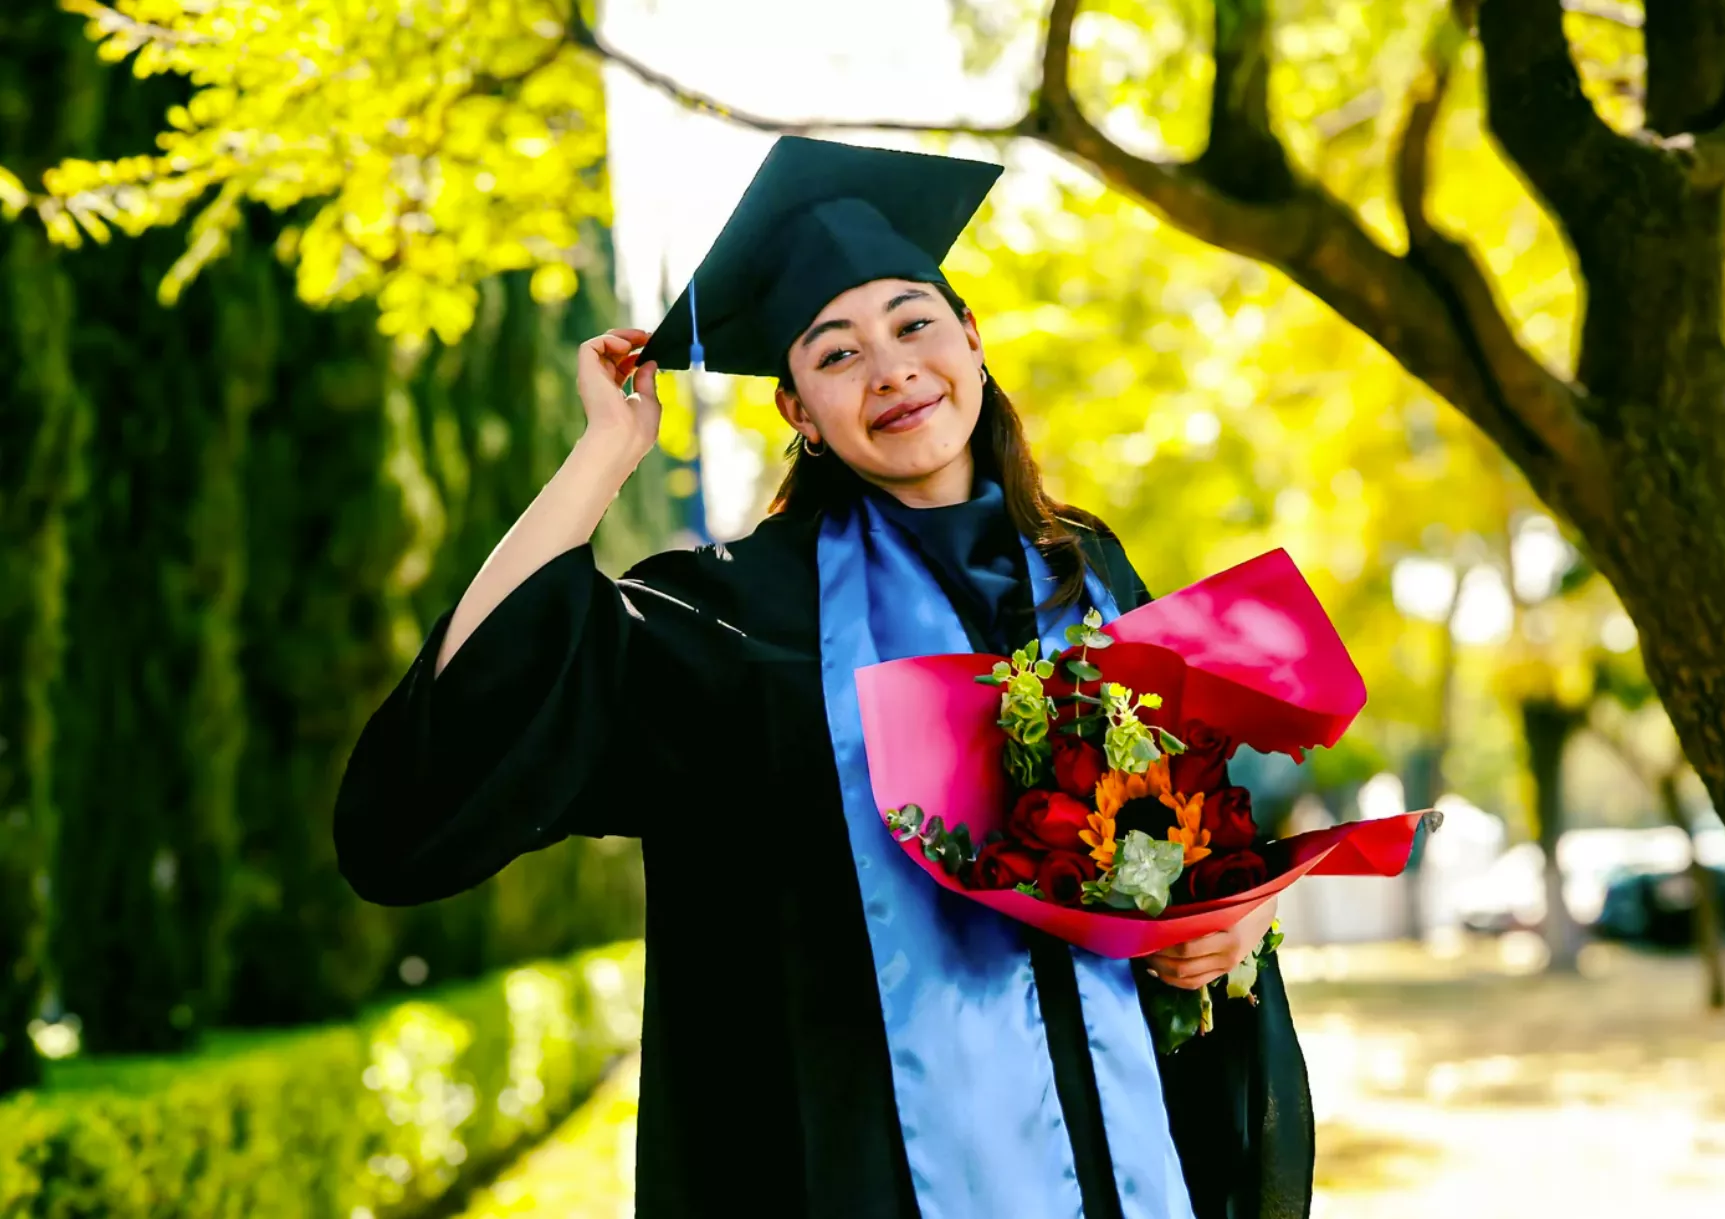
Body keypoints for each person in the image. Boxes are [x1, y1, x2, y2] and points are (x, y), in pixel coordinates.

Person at [334, 136, 1311, 1219]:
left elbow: (1193, 842)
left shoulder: (1089, 570)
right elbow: (460, 735)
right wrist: (603, 455)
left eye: (912, 323)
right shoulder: (735, 613)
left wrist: (1225, 920)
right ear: (799, 411)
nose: (891, 369)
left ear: (973, 344)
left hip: (1131, 1159)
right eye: (835, 353)